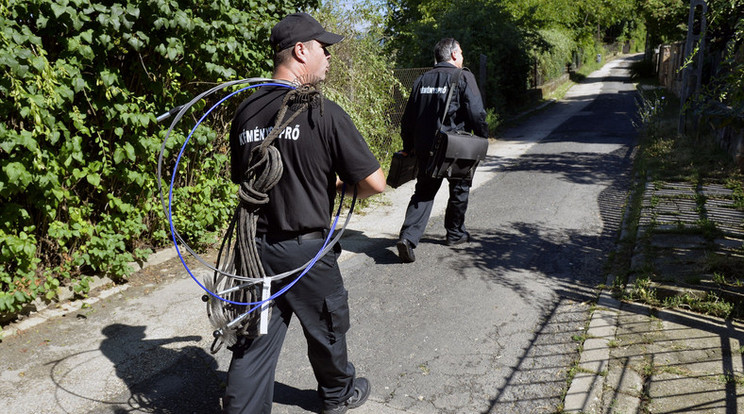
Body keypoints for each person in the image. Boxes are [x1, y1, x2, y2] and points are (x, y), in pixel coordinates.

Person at [224, 12, 385, 414]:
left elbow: (246, 178)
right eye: (323, 49)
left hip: (257, 249)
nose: (328, 58)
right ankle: (337, 395)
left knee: (254, 341)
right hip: (306, 252)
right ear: (300, 51)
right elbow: (374, 183)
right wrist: (331, 184)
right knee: (328, 328)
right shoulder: (321, 111)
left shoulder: (245, 112)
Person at [396, 38, 489, 263]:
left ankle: (407, 238)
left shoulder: (421, 80)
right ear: (455, 54)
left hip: (426, 149)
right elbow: (476, 113)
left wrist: (408, 147)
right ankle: (455, 234)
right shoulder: (463, 76)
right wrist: (483, 137)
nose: (463, 57)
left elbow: (407, 120)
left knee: (424, 192)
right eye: (462, 53)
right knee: (459, 188)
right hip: (457, 147)